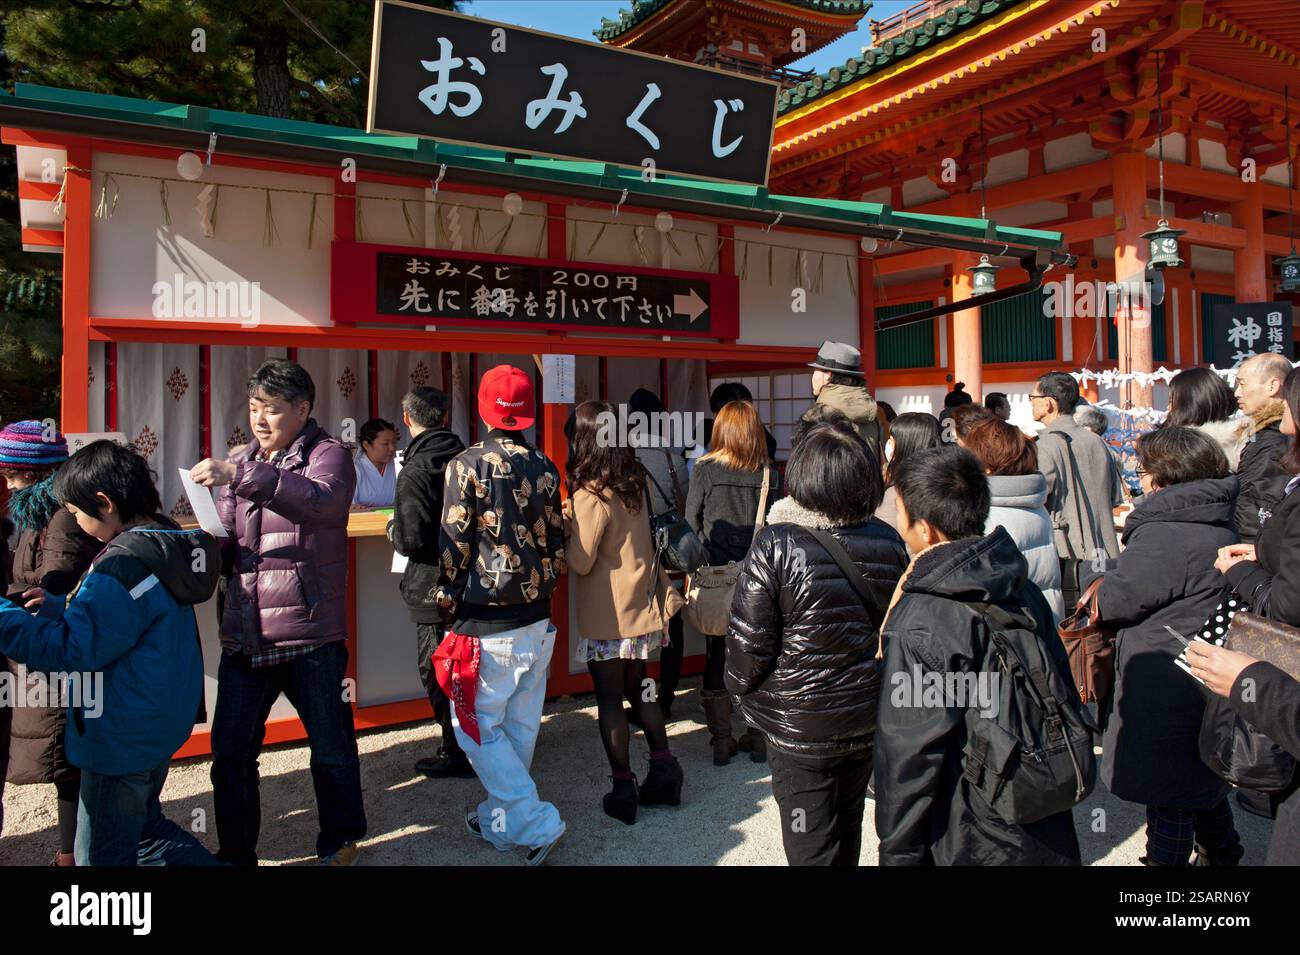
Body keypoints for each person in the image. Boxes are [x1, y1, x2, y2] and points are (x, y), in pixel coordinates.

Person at [0, 441, 220, 866]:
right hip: (155, 722)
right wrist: (60, 605)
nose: (77, 523)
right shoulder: (163, 541)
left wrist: (5, 618)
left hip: (119, 736)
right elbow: (128, 621)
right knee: (142, 829)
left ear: (103, 503)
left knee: (97, 855)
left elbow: (69, 649)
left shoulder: (120, 566)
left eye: (76, 512)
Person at [190, 358, 366, 867]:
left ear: (302, 409)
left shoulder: (329, 455)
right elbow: (227, 538)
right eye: (253, 408)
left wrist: (241, 474)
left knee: (330, 748)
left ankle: (340, 839)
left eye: (271, 409)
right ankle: (236, 851)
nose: (259, 419)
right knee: (230, 753)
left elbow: (322, 505)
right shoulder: (242, 460)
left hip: (311, 633)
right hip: (246, 632)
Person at [874, 445, 1082, 865]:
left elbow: (911, 750)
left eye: (899, 511)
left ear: (926, 528)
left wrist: (898, 852)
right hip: (1040, 797)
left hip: (971, 823)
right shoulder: (1015, 580)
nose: (898, 523)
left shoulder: (923, 617)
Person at [728, 425, 906, 865]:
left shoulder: (777, 542)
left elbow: (747, 648)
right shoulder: (889, 541)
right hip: (866, 712)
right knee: (849, 825)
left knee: (810, 842)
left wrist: (744, 694)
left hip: (801, 726)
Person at [1078, 427, 1243, 866]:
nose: (1140, 478)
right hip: (1202, 668)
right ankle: (1224, 853)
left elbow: (1117, 600)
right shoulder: (1220, 517)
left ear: (1164, 477)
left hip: (1164, 676)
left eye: (1143, 469)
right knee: (1200, 779)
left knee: (1168, 790)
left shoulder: (1167, 532)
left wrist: (1091, 579)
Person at [433, 364, 567, 865]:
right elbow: (557, 538)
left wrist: (446, 594)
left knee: (474, 725)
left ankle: (535, 822)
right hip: (537, 616)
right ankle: (501, 820)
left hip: (486, 618)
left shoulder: (466, 465)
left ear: (485, 409)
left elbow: (454, 542)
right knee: (518, 727)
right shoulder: (548, 466)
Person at [564, 400, 686, 825]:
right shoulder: (637, 483)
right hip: (643, 607)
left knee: (610, 700)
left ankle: (622, 786)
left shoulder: (589, 493)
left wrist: (564, 526)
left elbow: (579, 561)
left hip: (608, 615)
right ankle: (665, 766)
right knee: (641, 690)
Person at [0, 422, 100, 865]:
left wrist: (9, 598)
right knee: (62, 760)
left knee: (67, 763)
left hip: (52, 656)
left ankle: (71, 857)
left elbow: (53, 584)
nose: (7, 483)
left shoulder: (58, 517)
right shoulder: (29, 511)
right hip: (35, 652)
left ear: (35, 472)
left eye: (13, 474)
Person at [685, 399, 782, 766]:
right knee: (757, 653)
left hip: (716, 576)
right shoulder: (768, 473)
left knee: (716, 654)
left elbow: (690, 523)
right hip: (759, 577)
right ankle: (757, 737)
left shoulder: (705, 470)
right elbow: (775, 526)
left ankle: (721, 740)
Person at [387, 387, 470, 779]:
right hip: (473, 581)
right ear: (445, 415)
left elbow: (412, 540)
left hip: (430, 585)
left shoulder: (415, 470)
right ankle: (475, 742)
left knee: (436, 668)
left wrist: (392, 530)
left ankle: (456, 750)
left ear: (407, 419)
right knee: (470, 667)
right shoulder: (470, 459)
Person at [1032, 371, 1122, 606]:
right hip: (1105, 549)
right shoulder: (1098, 442)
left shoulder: (1045, 445)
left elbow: (1038, 498)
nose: (1031, 402)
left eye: (1033, 397)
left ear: (1048, 403)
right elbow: (1114, 496)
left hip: (1069, 553)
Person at [626, 387, 690, 721]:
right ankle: (665, 698)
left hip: (635, 554)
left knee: (635, 630)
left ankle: (641, 701)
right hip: (670, 554)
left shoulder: (623, 460)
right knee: (671, 627)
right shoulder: (674, 459)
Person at [963, 418, 1064, 624]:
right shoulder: (1033, 502)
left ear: (987, 465)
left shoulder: (987, 513)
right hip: (1044, 622)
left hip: (1013, 634)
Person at [1233, 353, 1294, 542]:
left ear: (1273, 386)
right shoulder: (1264, 433)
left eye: (1242, 384)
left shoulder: (1273, 439)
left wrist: (1251, 552)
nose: (1237, 393)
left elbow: (1258, 508)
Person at [807, 340, 884, 463]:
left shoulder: (819, 415)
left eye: (816, 369)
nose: (813, 375)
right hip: (870, 481)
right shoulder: (874, 414)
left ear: (827, 375)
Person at [1164, 367, 1251, 470]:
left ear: (1190, 405)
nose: (1168, 408)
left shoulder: (1178, 451)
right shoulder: (1247, 442)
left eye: (1171, 401)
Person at [874, 412, 940, 531]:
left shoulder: (896, 494)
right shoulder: (945, 483)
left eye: (891, 439)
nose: (888, 444)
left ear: (906, 445)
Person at [352, 417, 399, 507]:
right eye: (385, 444)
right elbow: (350, 507)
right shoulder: (355, 469)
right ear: (366, 445)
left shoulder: (398, 466)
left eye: (394, 443)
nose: (392, 448)